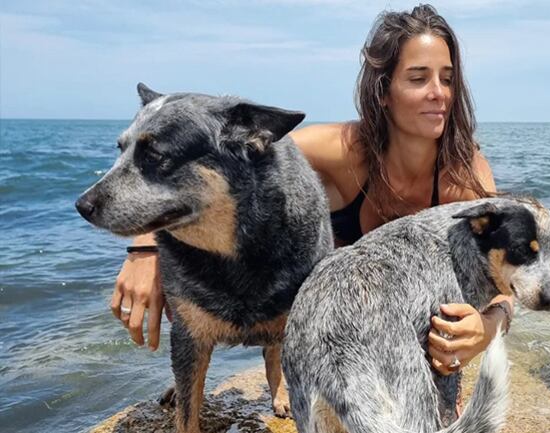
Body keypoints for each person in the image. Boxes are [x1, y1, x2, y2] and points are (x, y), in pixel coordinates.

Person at [111, 4, 514, 381]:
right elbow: (217, 160)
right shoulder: (336, 151)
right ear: (383, 92)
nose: (439, 92)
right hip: (329, 317)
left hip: (403, 327)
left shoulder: (463, 174)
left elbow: (506, 278)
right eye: (418, 78)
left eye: (447, 78)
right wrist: (145, 250)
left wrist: (484, 328)